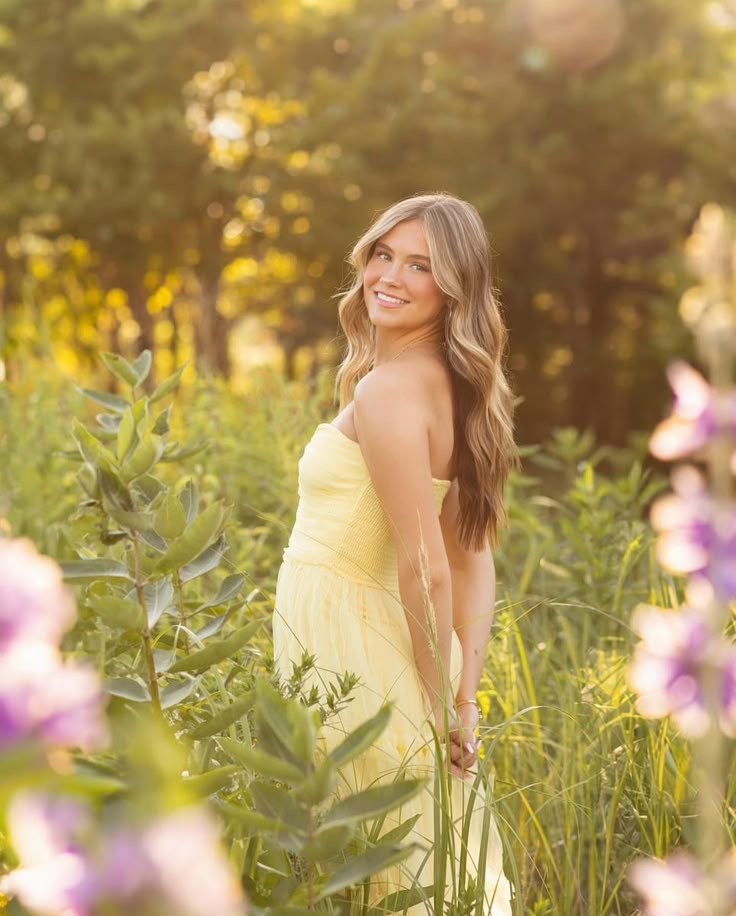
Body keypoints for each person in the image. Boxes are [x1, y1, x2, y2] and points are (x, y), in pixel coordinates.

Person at [272, 192, 516, 914]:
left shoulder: (388, 392)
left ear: (454, 292)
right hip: (369, 639)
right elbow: (474, 558)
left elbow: (430, 566)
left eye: (421, 266)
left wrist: (441, 703)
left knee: (366, 863)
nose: (391, 275)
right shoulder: (454, 388)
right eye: (384, 254)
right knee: (402, 853)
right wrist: (462, 698)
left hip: (349, 650)